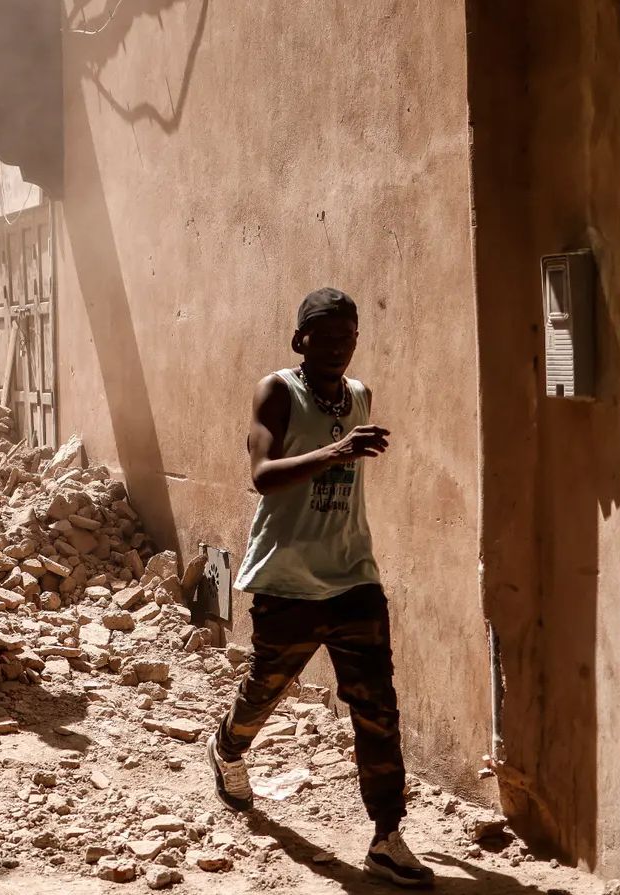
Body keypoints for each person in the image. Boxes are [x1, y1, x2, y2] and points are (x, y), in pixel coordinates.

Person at [205, 288, 433, 888]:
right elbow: (262, 476)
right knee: (266, 688)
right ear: (299, 340)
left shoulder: (359, 396)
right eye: (326, 337)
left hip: (354, 575)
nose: (339, 348)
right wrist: (337, 451)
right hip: (287, 579)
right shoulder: (278, 392)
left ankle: (387, 835)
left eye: (348, 337)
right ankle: (229, 747)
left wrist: (343, 448)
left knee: (376, 706)